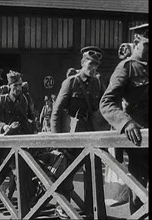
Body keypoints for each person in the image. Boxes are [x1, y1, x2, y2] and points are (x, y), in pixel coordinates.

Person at [50, 46, 105, 218]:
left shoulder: (98, 84)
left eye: (96, 65)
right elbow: (56, 111)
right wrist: (57, 140)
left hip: (91, 136)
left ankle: (91, 209)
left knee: (93, 173)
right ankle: (62, 206)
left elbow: (104, 107)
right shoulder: (71, 82)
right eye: (90, 63)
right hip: (72, 136)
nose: (93, 67)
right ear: (82, 63)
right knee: (67, 173)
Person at [100, 23, 148, 215]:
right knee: (138, 192)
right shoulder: (127, 68)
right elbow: (107, 102)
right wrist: (125, 122)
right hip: (139, 140)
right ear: (136, 43)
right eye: (148, 45)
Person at [0, 70, 37, 199]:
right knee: (8, 169)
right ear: (9, 86)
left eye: (20, 85)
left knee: (23, 170)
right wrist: (4, 126)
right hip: (7, 143)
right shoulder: (2, 100)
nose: (18, 88)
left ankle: (24, 198)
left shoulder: (25, 99)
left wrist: (33, 126)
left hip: (22, 141)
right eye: (15, 86)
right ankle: (2, 194)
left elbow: (31, 117)